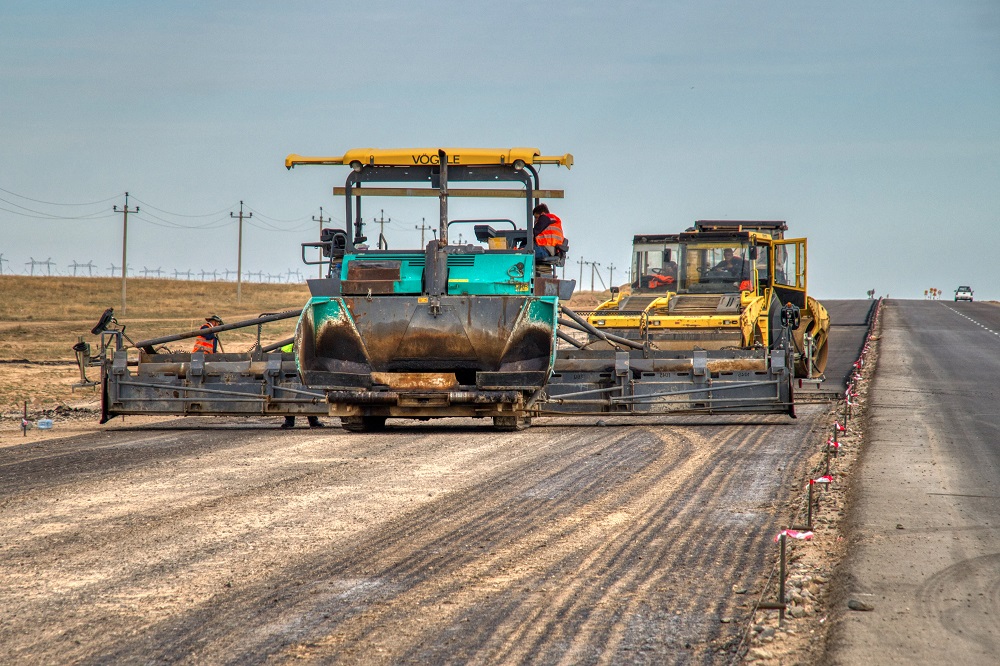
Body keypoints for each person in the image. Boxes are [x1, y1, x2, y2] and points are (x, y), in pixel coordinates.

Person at [278, 341, 325, 429]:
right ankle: (291, 421)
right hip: (293, 371)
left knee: (308, 395)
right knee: (294, 396)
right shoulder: (291, 344)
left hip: (302, 370)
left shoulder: (306, 342)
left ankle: (311, 420)